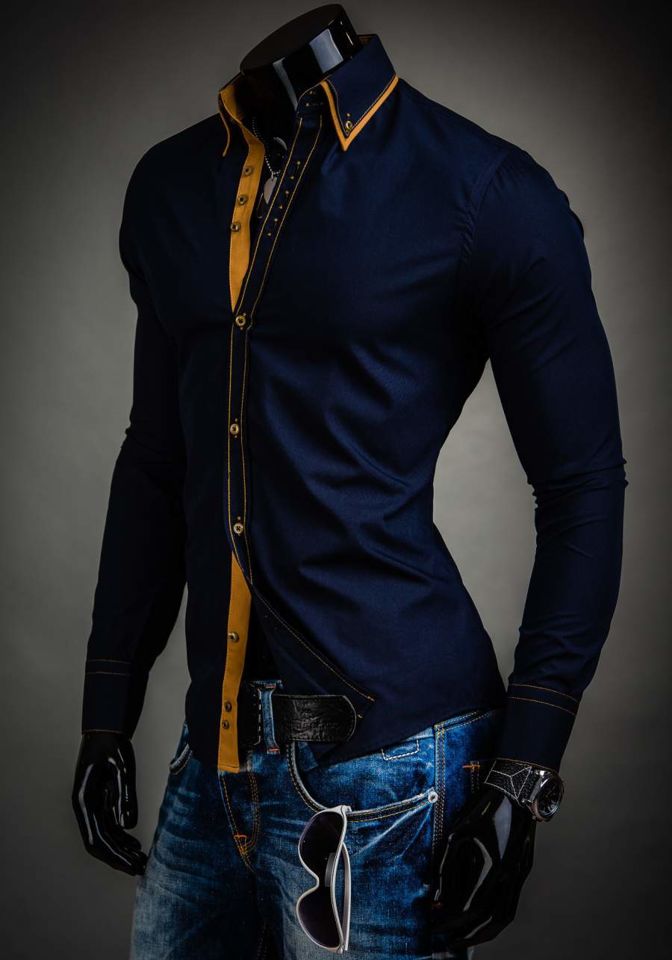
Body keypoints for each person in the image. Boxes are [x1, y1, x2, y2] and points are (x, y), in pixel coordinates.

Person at [72, 9, 627, 959]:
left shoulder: (486, 191)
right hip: (212, 763)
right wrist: (106, 711)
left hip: (393, 772)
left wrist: (523, 770)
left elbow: (583, 488)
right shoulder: (169, 185)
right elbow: (159, 460)